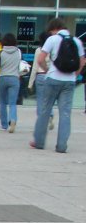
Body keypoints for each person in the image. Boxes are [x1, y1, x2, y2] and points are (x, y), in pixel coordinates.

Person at [30, 16, 85, 153]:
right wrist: (75, 74)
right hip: (69, 81)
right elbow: (83, 61)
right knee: (65, 113)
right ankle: (61, 146)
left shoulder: (52, 39)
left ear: (54, 29)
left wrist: (48, 70)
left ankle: (39, 142)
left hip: (53, 78)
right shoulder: (76, 41)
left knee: (45, 110)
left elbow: (40, 58)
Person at [0, 33, 22, 132]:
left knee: (3, 102)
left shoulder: (1, 52)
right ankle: (13, 120)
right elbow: (22, 65)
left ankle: (4, 125)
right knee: (12, 103)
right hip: (14, 78)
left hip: (3, 78)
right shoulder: (19, 52)